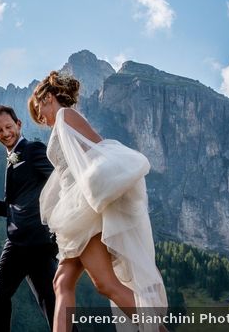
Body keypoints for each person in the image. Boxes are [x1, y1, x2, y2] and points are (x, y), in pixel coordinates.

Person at [29, 71, 167, 332]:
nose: (41, 119)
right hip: (74, 213)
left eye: (39, 109)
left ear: (47, 98)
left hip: (84, 213)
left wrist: (96, 191)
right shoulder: (61, 121)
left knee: (106, 284)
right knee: (62, 283)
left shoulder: (65, 115)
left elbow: (99, 147)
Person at [0, 105, 59, 332]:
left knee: (47, 301)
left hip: (37, 241)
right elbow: (13, 207)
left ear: (19, 124)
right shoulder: (10, 159)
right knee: (3, 295)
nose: (5, 133)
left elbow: (58, 180)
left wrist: (52, 215)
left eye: (8, 127)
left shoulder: (33, 150)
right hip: (20, 241)